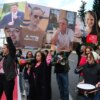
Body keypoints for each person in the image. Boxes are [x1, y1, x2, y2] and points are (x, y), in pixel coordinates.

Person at [51, 18, 74, 100]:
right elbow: (52, 43)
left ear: (66, 25)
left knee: (65, 89)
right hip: (57, 70)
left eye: (63, 23)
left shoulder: (70, 32)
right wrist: (57, 32)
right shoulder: (56, 32)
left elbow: (71, 46)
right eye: (60, 23)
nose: (61, 25)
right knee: (60, 88)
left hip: (64, 70)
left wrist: (67, 48)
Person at [0, 26, 17, 100]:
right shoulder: (2, 57)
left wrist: (6, 34)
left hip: (8, 79)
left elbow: (11, 45)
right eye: (2, 48)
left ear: (8, 49)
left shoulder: (11, 55)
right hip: (1, 78)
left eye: (4, 48)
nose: (2, 49)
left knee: (9, 97)